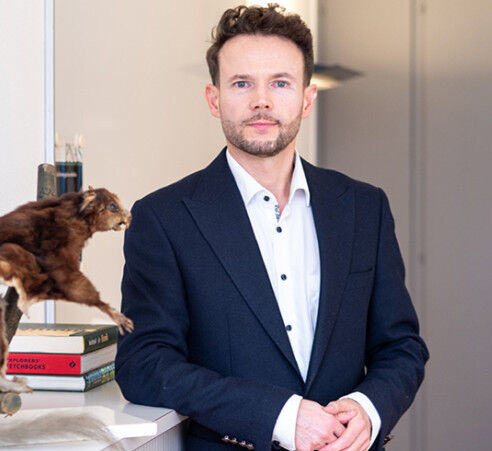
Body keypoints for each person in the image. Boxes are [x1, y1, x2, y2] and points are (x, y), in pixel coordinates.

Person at [114, 4, 429, 451]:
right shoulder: (163, 218)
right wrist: (278, 416)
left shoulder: (365, 208)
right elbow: (144, 363)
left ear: (306, 97)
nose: (261, 101)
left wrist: (368, 408)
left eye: (280, 83)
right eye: (242, 83)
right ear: (214, 98)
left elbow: (402, 348)